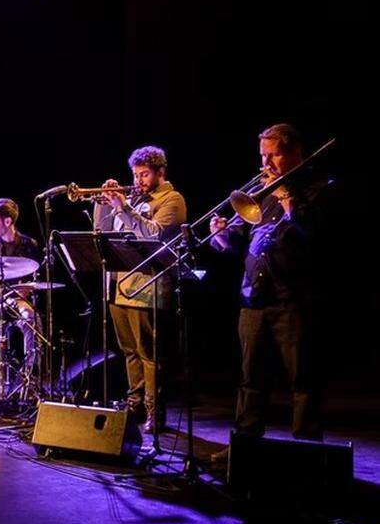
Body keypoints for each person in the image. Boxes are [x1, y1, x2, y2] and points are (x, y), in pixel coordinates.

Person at [210, 123, 333, 447]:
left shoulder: (319, 188)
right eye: (262, 156)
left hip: (294, 300)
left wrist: (287, 197)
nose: (265, 164)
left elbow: (316, 234)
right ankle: (245, 447)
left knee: (303, 379)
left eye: (274, 155)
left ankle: (309, 450)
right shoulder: (261, 196)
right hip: (254, 297)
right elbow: (237, 240)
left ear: (295, 153)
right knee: (251, 380)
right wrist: (222, 233)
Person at [93, 146, 187, 433]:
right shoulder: (134, 198)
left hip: (149, 287)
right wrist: (104, 202)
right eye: (135, 175)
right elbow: (102, 231)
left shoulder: (172, 199)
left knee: (150, 354)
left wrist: (125, 207)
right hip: (120, 286)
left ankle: (154, 411)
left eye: (144, 175)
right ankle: (134, 403)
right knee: (129, 351)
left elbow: (154, 234)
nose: (138, 181)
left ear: (161, 172)